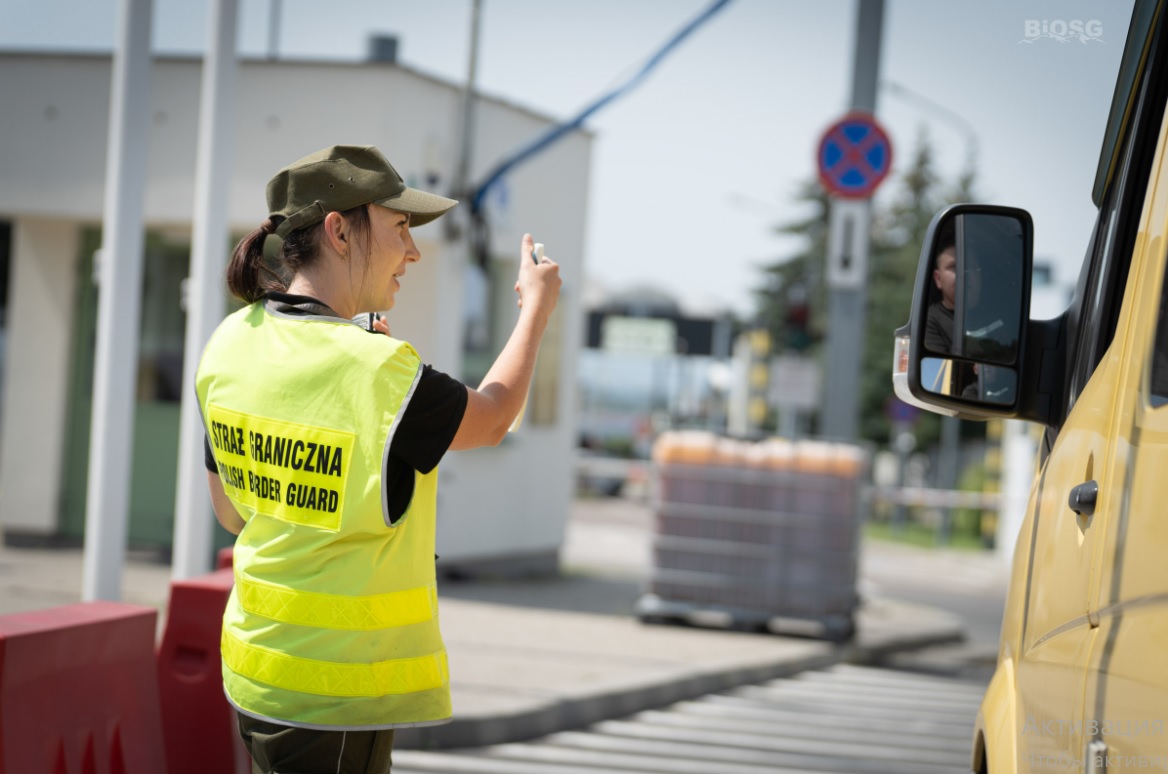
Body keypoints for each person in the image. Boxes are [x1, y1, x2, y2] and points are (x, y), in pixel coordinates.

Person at [195, 144, 561, 773]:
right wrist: (534, 311)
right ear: (339, 230)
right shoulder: (378, 369)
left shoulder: (231, 342)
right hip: (334, 695)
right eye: (399, 228)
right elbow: (495, 417)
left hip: (255, 674)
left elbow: (231, 514)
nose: (413, 251)